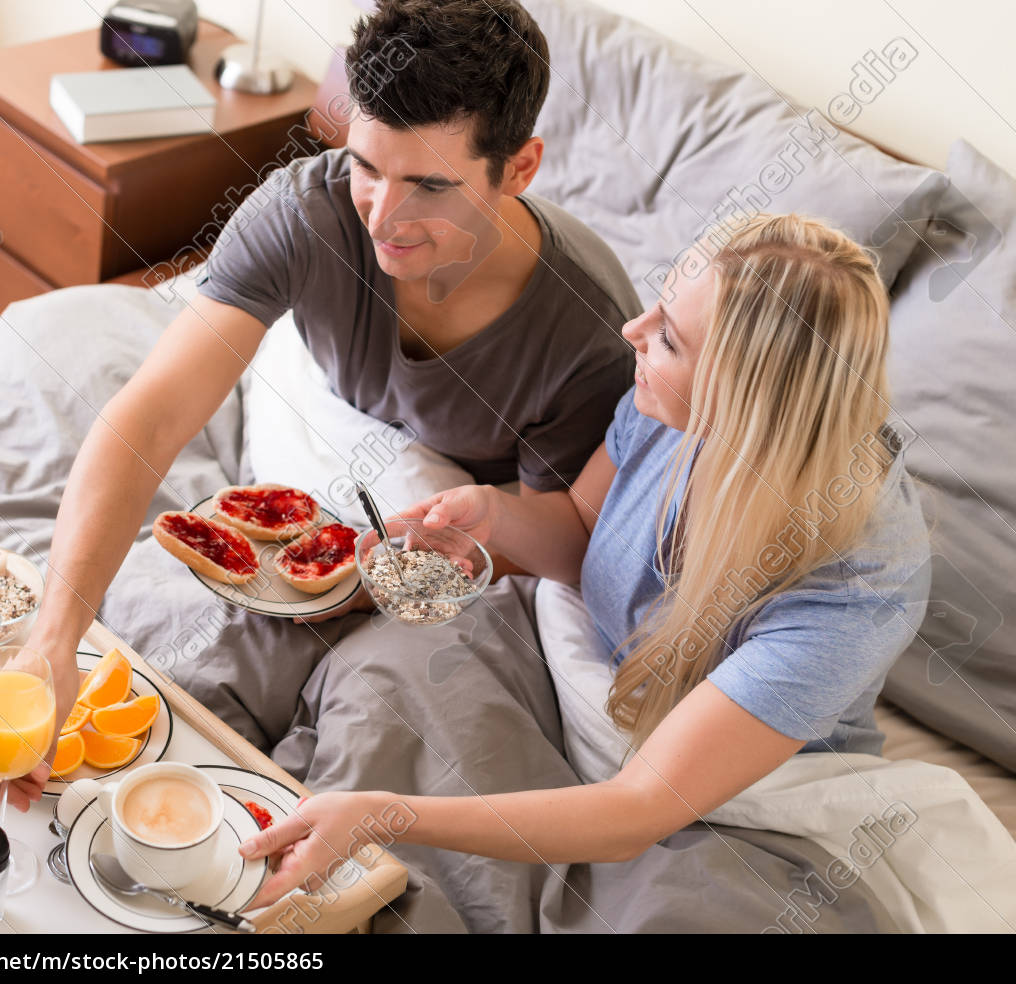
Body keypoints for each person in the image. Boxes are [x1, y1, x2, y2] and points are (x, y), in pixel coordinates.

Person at [0, 0, 641, 807]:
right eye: (368, 166)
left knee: (386, 731)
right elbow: (150, 414)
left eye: (430, 184)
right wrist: (54, 640)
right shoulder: (306, 210)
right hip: (328, 429)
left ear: (520, 168)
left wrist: (381, 568)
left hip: (456, 531)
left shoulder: (588, 336)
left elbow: (568, 536)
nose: (384, 217)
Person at [236, 213, 931, 912]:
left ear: (744, 402)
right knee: (378, 690)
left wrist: (385, 815)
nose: (633, 329)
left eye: (668, 338)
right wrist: (495, 514)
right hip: (583, 679)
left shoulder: (856, 589)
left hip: (721, 791)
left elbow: (637, 811)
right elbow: (580, 533)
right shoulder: (666, 403)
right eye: (659, 303)